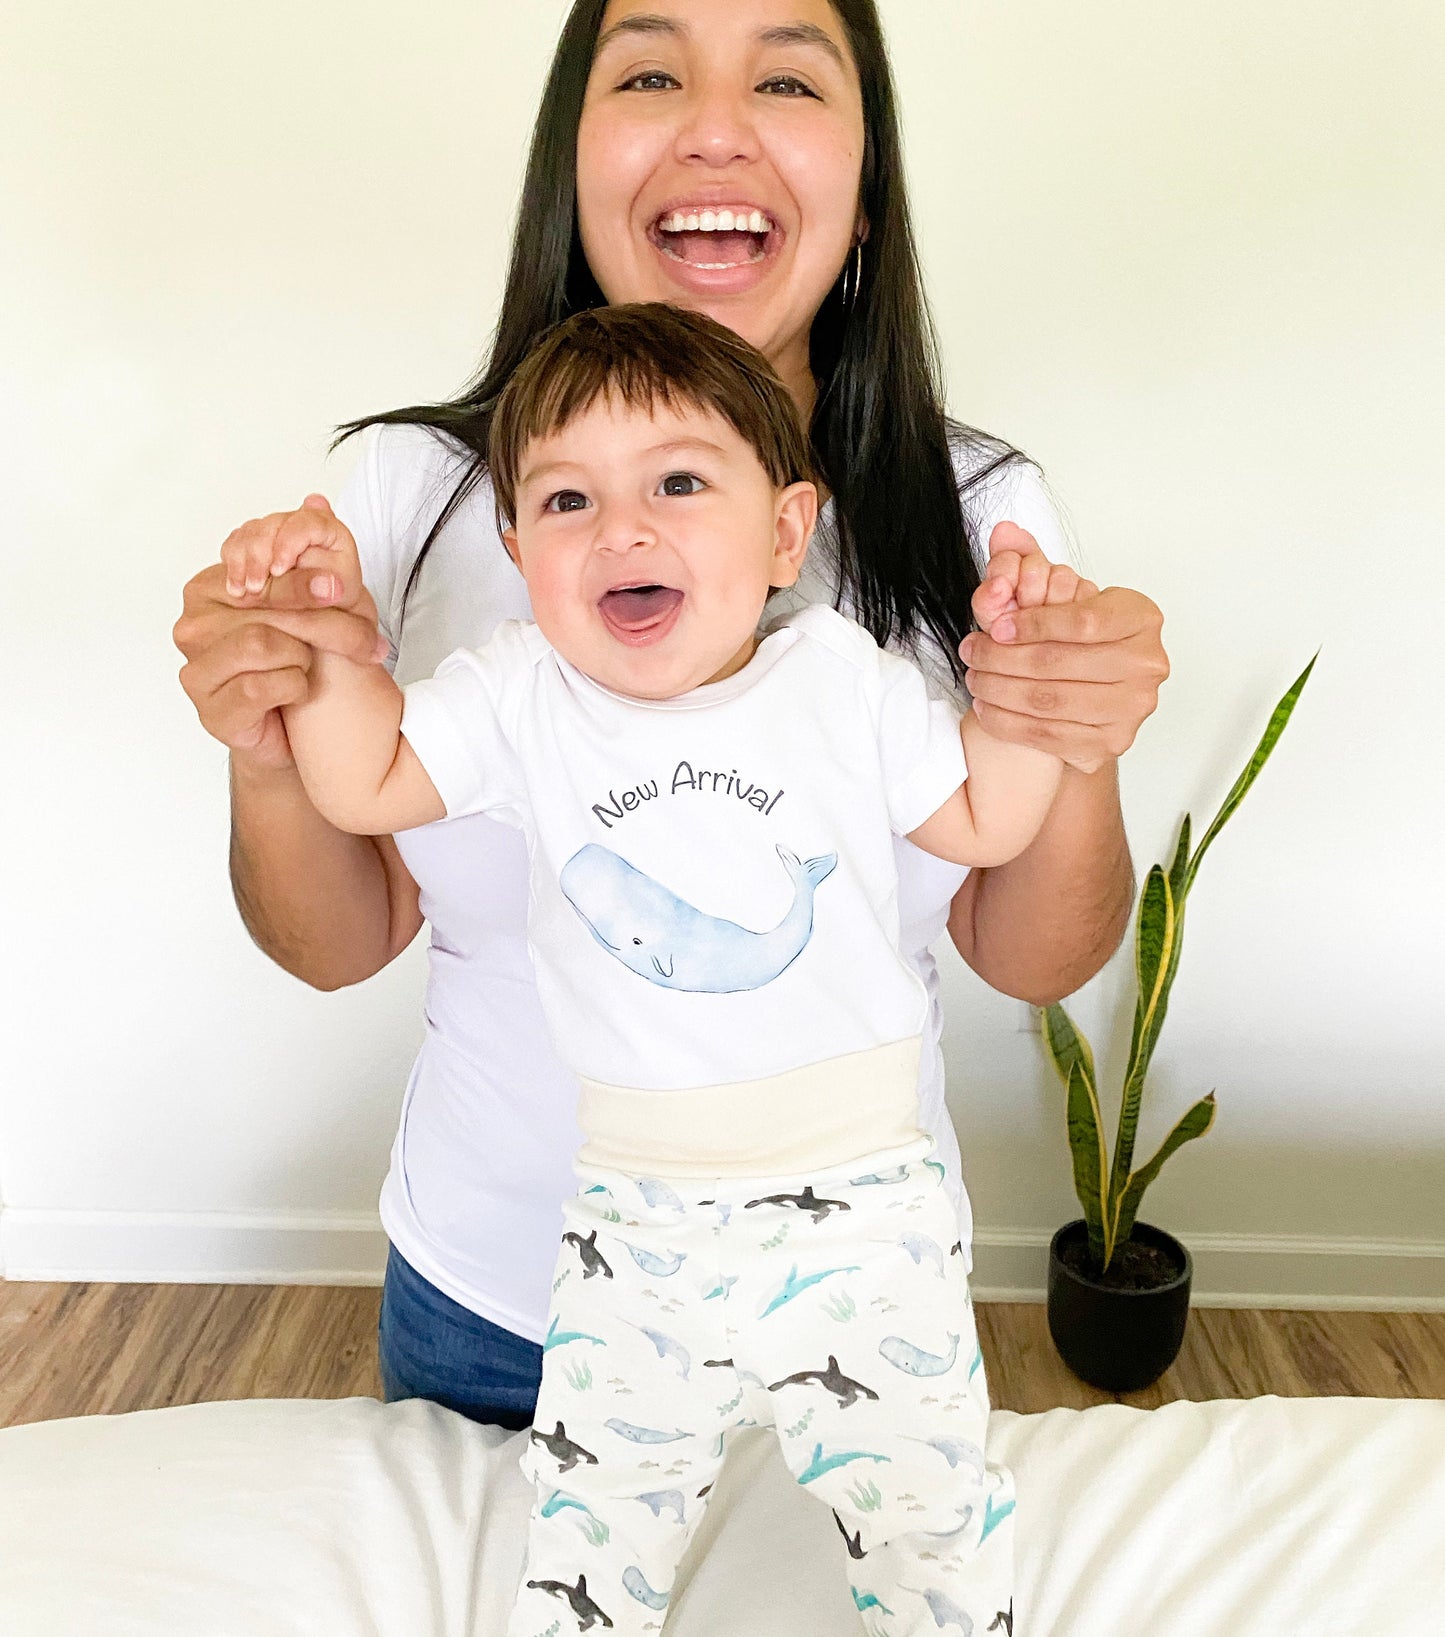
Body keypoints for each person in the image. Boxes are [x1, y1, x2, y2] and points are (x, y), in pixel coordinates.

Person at [174, 0, 1168, 1430]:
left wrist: (1069, 723)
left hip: (846, 1294)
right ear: (568, 170)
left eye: (786, 79)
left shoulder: (972, 514)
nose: (714, 127)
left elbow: (1031, 951)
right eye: (649, 72)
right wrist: (271, 739)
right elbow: (334, 942)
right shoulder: (414, 496)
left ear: (866, 194)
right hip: (500, 1310)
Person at [221, 300, 1073, 1637]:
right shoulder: (519, 692)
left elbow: (985, 819)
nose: (622, 528)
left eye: (678, 483)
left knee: (925, 1512)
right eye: (566, 499)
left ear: (786, 531)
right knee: (594, 1520)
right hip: (636, 1218)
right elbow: (367, 778)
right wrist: (322, 638)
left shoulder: (840, 675)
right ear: (519, 554)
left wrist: (1026, 689)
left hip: (866, 1204)